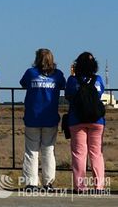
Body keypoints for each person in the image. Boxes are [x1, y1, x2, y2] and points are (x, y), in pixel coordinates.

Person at [19, 48, 66, 189]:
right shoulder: (57, 75)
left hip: (32, 117)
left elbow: (23, 84)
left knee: (31, 151)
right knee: (48, 151)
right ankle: (48, 182)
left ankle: (31, 182)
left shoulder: (31, 73)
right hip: (50, 118)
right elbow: (63, 85)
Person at [65, 51, 106, 192]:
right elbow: (100, 94)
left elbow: (69, 95)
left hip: (77, 120)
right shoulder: (98, 80)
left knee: (79, 153)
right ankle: (99, 186)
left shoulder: (72, 80)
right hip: (97, 120)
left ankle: (80, 186)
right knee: (96, 153)